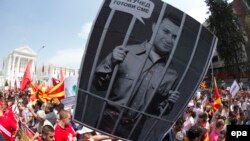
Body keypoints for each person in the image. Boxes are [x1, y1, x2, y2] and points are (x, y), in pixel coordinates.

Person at [94, 13, 181, 139]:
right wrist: (111, 61)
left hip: (133, 130)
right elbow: (98, 85)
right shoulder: (126, 52)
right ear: (154, 27)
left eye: (174, 37)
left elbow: (158, 111)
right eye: (166, 31)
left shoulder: (172, 75)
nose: (169, 39)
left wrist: (169, 102)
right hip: (106, 125)